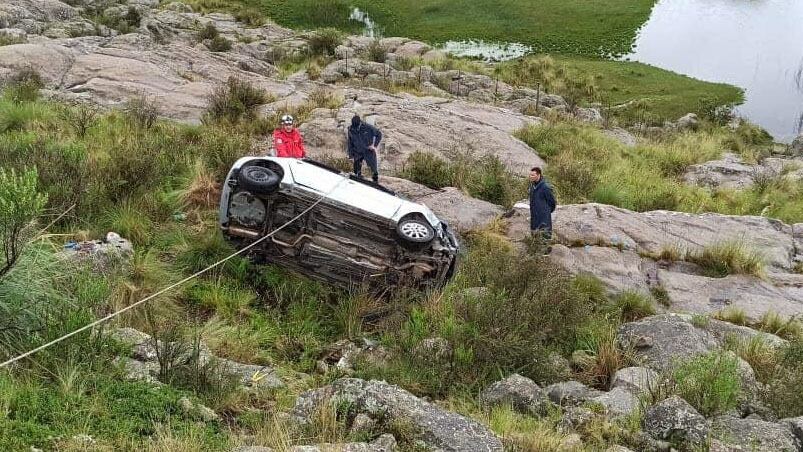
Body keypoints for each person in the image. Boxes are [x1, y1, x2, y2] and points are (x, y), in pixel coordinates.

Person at [347, 115, 382, 183]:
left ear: (360, 123)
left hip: (368, 150)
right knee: (356, 171)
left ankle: (375, 181)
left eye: (357, 127)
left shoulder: (368, 127)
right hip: (357, 151)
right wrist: (350, 155)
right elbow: (350, 142)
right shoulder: (350, 129)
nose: (356, 128)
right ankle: (358, 179)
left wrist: (374, 146)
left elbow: (379, 134)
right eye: (354, 127)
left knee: (373, 169)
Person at [529, 166, 556, 248]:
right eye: (530, 175)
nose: (530, 177)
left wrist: (546, 212)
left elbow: (552, 202)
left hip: (544, 217)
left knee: (545, 235)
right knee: (535, 236)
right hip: (534, 216)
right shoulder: (532, 186)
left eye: (533, 175)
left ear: (539, 175)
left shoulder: (545, 187)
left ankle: (545, 254)